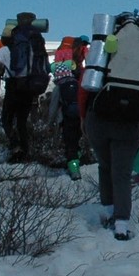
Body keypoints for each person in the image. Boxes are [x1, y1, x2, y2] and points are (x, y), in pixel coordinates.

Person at [80, 11, 139, 240]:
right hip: (130, 123)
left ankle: (108, 212)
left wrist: (83, 117)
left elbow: (86, 85)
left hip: (99, 118)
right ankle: (122, 226)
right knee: (122, 173)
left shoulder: (107, 43)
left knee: (105, 167)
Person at [0, 11, 49, 163]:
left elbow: (1, 67)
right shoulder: (37, 39)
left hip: (15, 84)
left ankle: (15, 148)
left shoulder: (10, 43)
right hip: (31, 83)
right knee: (22, 121)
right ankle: (25, 152)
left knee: (6, 119)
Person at [51, 34, 88, 177]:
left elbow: (54, 105)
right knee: (77, 139)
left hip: (67, 115)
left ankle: (74, 167)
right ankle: (77, 158)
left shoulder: (62, 83)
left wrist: (50, 122)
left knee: (70, 142)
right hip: (81, 115)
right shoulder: (84, 79)